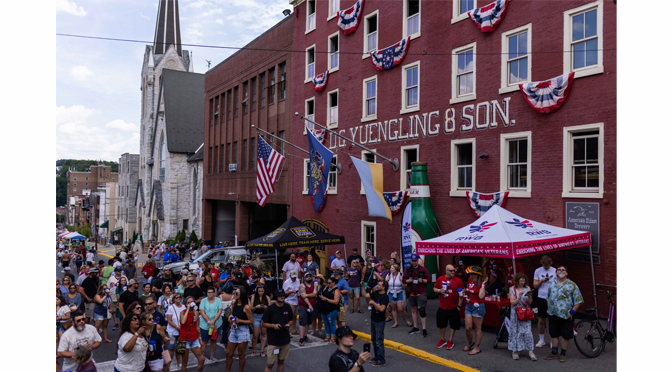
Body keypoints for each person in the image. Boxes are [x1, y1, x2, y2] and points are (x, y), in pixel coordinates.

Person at [544, 266, 583, 363]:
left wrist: (572, 312)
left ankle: (563, 354)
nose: (561, 271)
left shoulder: (572, 285)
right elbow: (548, 297)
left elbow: (578, 300)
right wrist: (549, 308)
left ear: (566, 273)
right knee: (554, 333)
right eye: (559, 270)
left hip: (566, 315)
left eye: (563, 270)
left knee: (566, 335)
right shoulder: (552, 284)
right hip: (553, 314)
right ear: (556, 273)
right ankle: (554, 353)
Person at [261, 289, 294, 372]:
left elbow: (291, 319)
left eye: (283, 295)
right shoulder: (270, 308)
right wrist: (273, 326)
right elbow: (263, 323)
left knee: (281, 362)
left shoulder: (287, 307)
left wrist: (289, 324)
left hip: (285, 340)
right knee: (270, 364)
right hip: (273, 341)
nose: (282, 296)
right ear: (276, 297)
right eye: (280, 295)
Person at [433, 264, 464, 350]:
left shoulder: (458, 281)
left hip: (453, 307)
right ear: (446, 271)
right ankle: (442, 339)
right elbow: (434, 289)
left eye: (454, 270)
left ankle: (450, 340)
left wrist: (459, 306)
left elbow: (461, 294)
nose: (453, 272)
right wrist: (440, 290)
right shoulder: (440, 279)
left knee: (453, 325)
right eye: (451, 271)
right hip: (442, 306)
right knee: (441, 324)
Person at [508, 273, 536, 361]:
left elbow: (530, 302)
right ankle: (515, 351)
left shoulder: (527, 288)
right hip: (516, 313)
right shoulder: (512, 289)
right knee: (515, 332)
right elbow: (512, 303)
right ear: (517, 281)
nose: (522, 282)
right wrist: (519, 297)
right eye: (521, 281)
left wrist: (530, 296)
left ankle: (531, 351)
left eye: (523, 281)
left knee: (527, 332)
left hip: (525, 312)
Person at [225, 287, 253, 372]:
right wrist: (231, 316)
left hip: (243, 330)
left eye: (236, 293)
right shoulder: (234, 303)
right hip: (234, 329)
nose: (234, 295)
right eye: (234, 293)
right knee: (229, 353)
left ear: (241, 295)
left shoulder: (246, 307)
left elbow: (251, 321)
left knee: (241, 354)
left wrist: (240, 320)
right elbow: (233, 314)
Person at [403, 254, 431, 337]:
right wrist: (408, 280)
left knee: (421, 310)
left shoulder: (423, 269)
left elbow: (429, 280)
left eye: (415, 260)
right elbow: (404, 280)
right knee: (413, 309)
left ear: (418, 260)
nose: (414, 262)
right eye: (412, 260)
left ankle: (424, 329)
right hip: (411, 292)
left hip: (421, 292)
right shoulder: (407, 270)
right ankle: (416, 327)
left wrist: (422, 280)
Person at [533, 255, 556, 348]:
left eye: (547, 266)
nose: (546, 267)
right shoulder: (538, 271)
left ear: (551, 264)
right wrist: (541, 281)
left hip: (552, 297)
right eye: (544, 266)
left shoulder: (555, 271)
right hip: (541, 297)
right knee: (541, 320)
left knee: (552, 320)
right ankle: (541, 339)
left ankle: (552, 340)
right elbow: (535, 285)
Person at [463, 265, 486, 355]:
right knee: (468, 327)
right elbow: (468, 290)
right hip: (469, 305)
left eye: (473, 274)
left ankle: (477, 347)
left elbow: (481, 296)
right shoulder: (469, 280)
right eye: (470, 274)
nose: (471, 276)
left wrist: (483, 286)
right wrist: (465, 291)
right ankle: (470, 342)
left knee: (477, 328)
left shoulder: (481, 283)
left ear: (478, 275)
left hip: (478, 307)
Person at [366, 279, 389, 367]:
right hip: (373, 319)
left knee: (379, 341)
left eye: (379, 285)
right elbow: (365, 295)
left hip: (380, 321)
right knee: (374, 339)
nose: (377, 286)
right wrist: (361, 285)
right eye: (377, 284)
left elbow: (382, 309)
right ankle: (376, 356)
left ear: (383, 287)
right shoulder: (375, 293)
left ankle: (381, 360)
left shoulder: (385, 297)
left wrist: (373, 303)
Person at [143, 298, 171, 372]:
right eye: (146, 304)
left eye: (149, 304)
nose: (147, 306)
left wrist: (166, 339)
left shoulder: (159, 315)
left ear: (154, 304)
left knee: (166, 363)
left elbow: (164, 326)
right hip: (145, 357)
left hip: (159, 351)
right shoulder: (141, 329)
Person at [179, 296, 206, 372]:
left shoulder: (196, 313)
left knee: (202, 360)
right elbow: (183, 322)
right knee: (185, 363)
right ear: (185, 304)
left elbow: (197, 327)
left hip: (194, 339)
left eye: (192, 302)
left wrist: (200, 340)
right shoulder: (183, 312)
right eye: (188, 302)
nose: (190, 304)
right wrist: (188, 309)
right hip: (185, 340)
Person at [199, 287, 222, 361]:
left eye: (211, 292)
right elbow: (202, 312)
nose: (210, 294)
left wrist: (214, 320)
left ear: (214, 293)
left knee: (213, 340)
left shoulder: (218, 300)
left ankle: (212, 356)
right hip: (205, 324)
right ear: (206, 293)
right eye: (208, 292)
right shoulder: (203, 301)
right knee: (204, 341)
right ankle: (202, 357)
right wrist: (209, 321)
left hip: (216, 324)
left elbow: (219, 311)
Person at [386, 264, 411, 328]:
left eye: (392, 268)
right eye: (390, 268)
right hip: (391, 292)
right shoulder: (389, 275)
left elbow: (404, 286)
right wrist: (386, 280)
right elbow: (385, 285)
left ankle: (407, 320)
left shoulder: (401, 275)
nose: (390, 269)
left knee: (401, 308)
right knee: (393, 308)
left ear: (396, 269)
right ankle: (396, 322)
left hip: (399, 292)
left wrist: (402, 280)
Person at [165, 293, 186, 369]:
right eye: (176, 297)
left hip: (181, 331)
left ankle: (178, 363)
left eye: (180, 297)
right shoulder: (170, 307)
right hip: (172, 332)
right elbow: (169, 320)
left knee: (179, 348)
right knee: (170, 348)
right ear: (173, 299)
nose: (178, 298)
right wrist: (177, 327)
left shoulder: (184, 307)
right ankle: (167, 365)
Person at [319, 277, 342, 344]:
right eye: (327, 282)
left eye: (329, 283)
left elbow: (336, 301)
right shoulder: (326, 287)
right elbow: (322, 293)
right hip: (324, 308)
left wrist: (326, 299)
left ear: (334, 283)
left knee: (331, 323)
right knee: (326, 323)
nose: (328, 284)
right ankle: (327, 336)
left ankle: (333, 337)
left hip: (332, 309)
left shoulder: (336, 290)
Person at [297, 272, 317, 346]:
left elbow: (315, 294)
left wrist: (307, 294)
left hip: (312, 307)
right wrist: (310, 305)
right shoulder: (302, 285)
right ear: (304, 278)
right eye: (307, 276)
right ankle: (301, 338)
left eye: (310, 276)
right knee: (302, 322)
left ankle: (305, 336)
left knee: (308, 322)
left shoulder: (314, 285)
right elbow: (303, 296)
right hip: (303, 306)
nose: (309, 277)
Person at [250, 284, 271, 356]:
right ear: (257, 291)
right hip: (256, 315)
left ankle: (262, 351)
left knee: (264, 334)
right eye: (259, 291)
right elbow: (251, 308)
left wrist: (265, 307)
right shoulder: (254, 297)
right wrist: (256, 307)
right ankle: (253, 350)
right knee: (255, 335)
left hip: (264, 316)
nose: (261, 292)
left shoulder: (267, 297)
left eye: (262, 291)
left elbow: (270, 307)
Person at [281, 270, 301, 337]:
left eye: (295, 277)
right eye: (293, 277)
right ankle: (287, 331)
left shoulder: (298, 280)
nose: (294, 278)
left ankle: (294, 330)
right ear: (290, 276)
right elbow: (284, 292)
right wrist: (291, 291)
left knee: (294, 316)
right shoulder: (287, 282)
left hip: (296, 300)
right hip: (289, 300)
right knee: (288, 317)